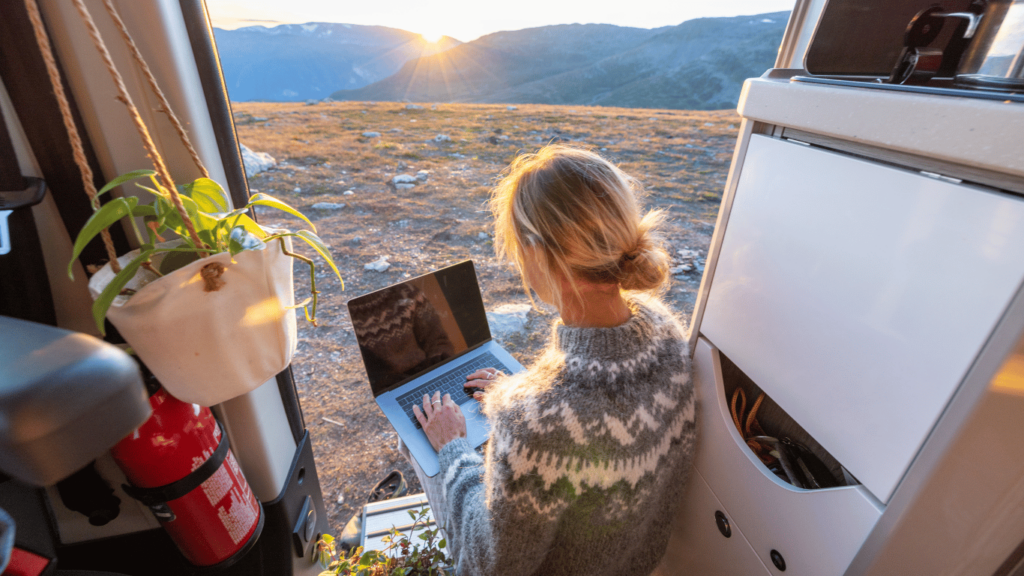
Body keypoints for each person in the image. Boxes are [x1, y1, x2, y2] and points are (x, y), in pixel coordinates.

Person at [409, 145, 695, 576]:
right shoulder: (667, 332)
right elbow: (600, 413)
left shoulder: (533, 419)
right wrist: (525, 394)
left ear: (538, 253)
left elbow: (489, 566)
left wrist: (451, 448)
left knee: (417, 446)